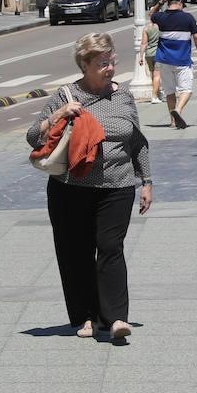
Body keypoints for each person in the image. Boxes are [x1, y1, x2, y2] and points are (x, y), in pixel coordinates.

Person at [27, 33, 153, 341]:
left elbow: (137, 141)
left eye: (111, 61)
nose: (109, 68)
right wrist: (58, 116)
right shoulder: (66, 95)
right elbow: (33, 137)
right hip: (71, 187)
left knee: (111, 248)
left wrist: (146, 181)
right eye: (102, 63)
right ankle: (84, 315)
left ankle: (115, 319)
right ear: (84, 64)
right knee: (76, 252)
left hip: (118, 185)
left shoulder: (122, 95)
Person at [149, 0, 197, 129]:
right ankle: (178, 110)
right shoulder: (187, 18)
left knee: (170, 91)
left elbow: (151, 14)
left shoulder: (161, 17)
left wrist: (160, 2)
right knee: (187, 89)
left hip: (165, 60)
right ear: (180, 3)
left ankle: (172, 121)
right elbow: (196, 37)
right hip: (182, 60)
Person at [138, 18, 162, 104]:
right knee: (157, 75)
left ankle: (158, 93)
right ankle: (154, 96)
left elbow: (144, 43)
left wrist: (141, 56)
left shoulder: (146, 28)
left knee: (153, 75)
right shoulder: (160, 27)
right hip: (158, 53)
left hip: (148, 54)